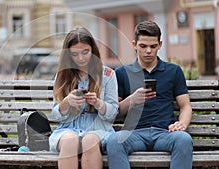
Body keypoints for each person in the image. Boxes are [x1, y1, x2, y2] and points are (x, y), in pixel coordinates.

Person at [107, 20, 193, 169]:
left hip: (166, 133)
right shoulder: (122, 73)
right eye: (143, 46)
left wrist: (182, 124)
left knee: (183, 139)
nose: (148, 51)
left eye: (153, 46)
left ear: (160, 45)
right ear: (134, 44)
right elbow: (114, 112)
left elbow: (185, 106)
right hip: (134, 134)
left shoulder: (173, 71)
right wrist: (132, 100)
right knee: (114, 140)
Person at [49, 26, 119, 169]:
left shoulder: (107, 75)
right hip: (68, 127)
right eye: (74, 54)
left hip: (98, 128)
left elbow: (112, 112)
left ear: (93, 50)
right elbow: (56, 114)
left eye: (85, 52)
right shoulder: (62, 75)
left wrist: (98, 103)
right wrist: (67, 102)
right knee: (70, 141)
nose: (80, 58)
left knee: (90, 141)